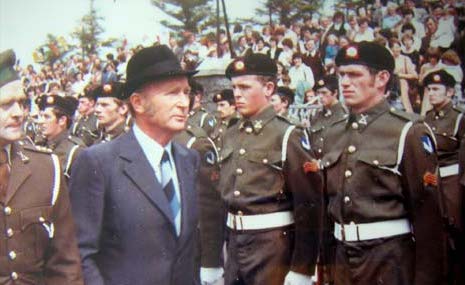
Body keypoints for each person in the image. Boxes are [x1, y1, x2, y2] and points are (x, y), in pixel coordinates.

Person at [69, 45, 200, 285]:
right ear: (138, 103)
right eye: (172, 93)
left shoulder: (188, 160)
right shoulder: (98, 162)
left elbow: (188, 250)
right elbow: (80, 254)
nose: (184, 103)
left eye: (186, 92)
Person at [320, 41, 446, 285]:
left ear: (381, 79)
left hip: (388, 260)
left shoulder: (407, 131)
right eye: (342, 75)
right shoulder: (333, 133)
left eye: (354, 75)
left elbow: (429, 219)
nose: (345, 82)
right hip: (342, 260)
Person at [219, 53, 323, 285]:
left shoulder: (287, 135)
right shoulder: (231, 134)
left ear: (268, 88)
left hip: (272, 249)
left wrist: (302, 269)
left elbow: (309, 205)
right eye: (234, 87)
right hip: (235, 247)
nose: (237, 94)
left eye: (245, 87)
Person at [0, 49, 83, 284]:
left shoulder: (46, 168)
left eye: (21, 103)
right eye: (6, 105)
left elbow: (65, 262)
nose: (19, 113)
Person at [423, 69, 464, 285]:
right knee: (436, 234)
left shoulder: (459, 118)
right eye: (429, 89)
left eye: (436, 89)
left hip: (454, 183)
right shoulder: (427, 119)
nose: (431, 93)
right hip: (432, 182)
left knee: (456, 231)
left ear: (449, 92)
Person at [36, 94, 85, 180]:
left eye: (47, 117)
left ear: (62, 120)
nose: (40, 121)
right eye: (41, 116)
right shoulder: (40, 144)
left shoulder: (75, 151)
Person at [309, 75, 347, 159]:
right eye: (318, 93)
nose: (320, 96)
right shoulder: (317, 115)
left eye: (324, 93)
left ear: (335, 93)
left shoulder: (344, 116)